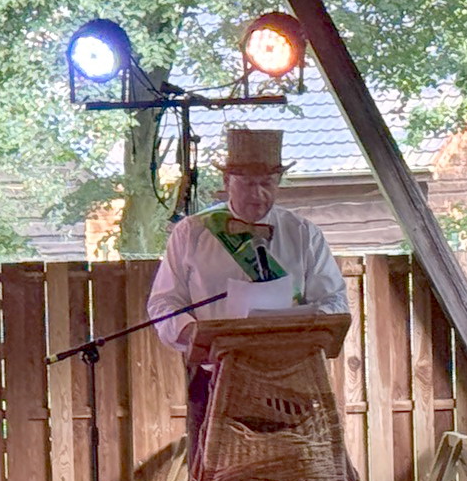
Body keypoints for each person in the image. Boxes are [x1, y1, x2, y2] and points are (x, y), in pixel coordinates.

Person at [148, 126, 348, 455]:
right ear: (227, 181)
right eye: (247, 183)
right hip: (215, 378)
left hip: (289, 382)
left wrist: (311, 325)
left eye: (267, 183)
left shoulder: (303, 233)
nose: (258, 193)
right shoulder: (192, 233)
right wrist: (191, 332)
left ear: (278, 183)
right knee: (215, 476)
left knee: (287, 473)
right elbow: (164, 303)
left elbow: (334, 299)